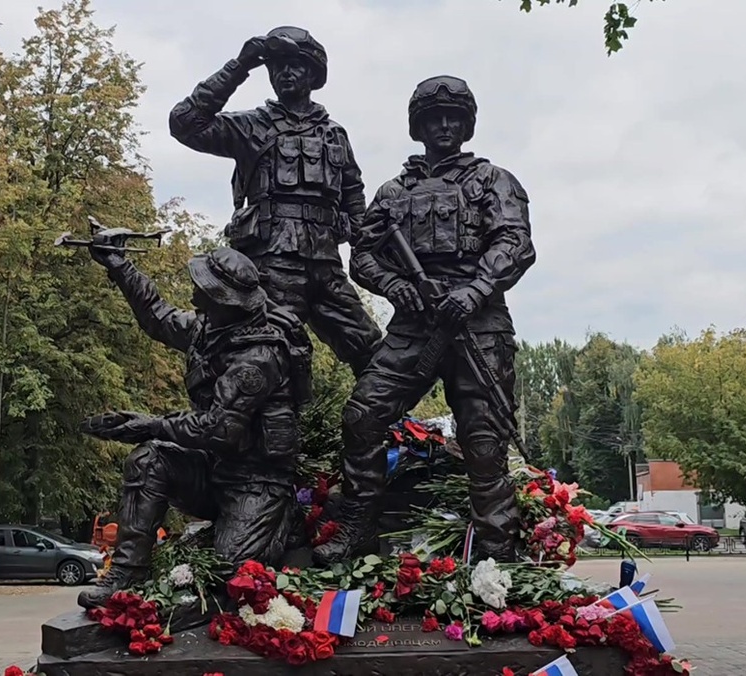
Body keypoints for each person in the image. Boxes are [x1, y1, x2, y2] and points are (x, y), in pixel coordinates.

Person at [314, 76, 537, 565]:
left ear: (467, 124)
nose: (444, 125)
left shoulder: (492, 180)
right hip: (415, 325)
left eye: (453, 117)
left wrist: (475, 290)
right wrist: (398, 287)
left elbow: (516, 244)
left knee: (483, 440)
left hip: (479, 325)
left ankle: (497, 556)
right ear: (417, 126)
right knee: (362, 417)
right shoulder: (394, 192)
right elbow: (365, 256)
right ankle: (358, 531)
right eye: (433, 118)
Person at [75, 230, 312, 609]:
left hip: (256, 482)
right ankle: (124, 577)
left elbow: (220, 429)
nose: (193, 295)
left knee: (226, 581)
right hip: (215, 471)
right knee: (149, 459)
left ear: (225, 300)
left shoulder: (259, 357)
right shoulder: (212, 327)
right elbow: (158, 317)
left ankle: (283, 522)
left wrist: (149, 424)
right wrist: (120, 265)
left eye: (202, 289)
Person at [168, 25, 381, 375]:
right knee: (270, 356)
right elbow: (185, 123)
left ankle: (376, 428)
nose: (284, 73)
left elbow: (355, 199)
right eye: (276, 66)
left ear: (313, 73)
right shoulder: (252, 126)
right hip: (270, 268)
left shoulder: (335, 135)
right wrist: (241, 64)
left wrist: (355, 236)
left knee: (371, 352)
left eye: (294, 65)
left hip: (326, 267)